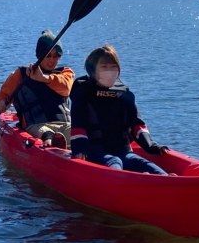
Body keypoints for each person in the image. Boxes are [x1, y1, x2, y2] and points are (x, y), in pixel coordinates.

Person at [69, 44, 170, 174]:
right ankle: (120, 184)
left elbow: (137, 125)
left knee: (146, 165)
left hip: (123, 150)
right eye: (104, 67)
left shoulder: (124, 95)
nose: (109, 71)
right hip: (94, 151)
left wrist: (151, 146)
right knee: (115, 161)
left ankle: (165, 181)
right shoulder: (83, 93)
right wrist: (80, 150)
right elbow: (78, 126)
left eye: (113, 67)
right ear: (93, 71)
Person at [0, 31, 74, 148]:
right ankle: (52, 145)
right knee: (46, 133)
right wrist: (0, 104)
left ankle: (80, 150)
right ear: (39, 55)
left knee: (81, 135)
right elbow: (1, 96)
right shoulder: (21, 75)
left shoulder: (66, 73)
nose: (52, 60)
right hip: (36, 126)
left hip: (65, 125)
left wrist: (43, 78)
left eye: (56, 56)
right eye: (48, 56)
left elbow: (66, 88)